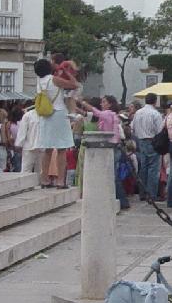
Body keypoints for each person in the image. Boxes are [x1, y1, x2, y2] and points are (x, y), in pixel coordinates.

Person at [79, 95, 129, 210]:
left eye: (104, 102)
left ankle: (121, 199)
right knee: (112, 173)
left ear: (109, 104)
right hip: (114, 145)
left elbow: (95, 112)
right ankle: (119, 198)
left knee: (112, 174)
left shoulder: (107, 114)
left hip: (111, 146)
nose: (102, 104)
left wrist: (83, 102)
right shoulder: (112, 115)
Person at [34, 59, 77, 188]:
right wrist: (67, 72)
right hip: (58, 113)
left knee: (47, 149)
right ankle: (60, 180)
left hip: (45, 115)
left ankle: (44, 178)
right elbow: (73, 85)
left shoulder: (39, 82)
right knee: (61, 148)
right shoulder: (53, 79)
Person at [131, 93, 164, 201]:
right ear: (155, 101)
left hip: (141, 141)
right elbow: (160, 130)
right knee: (153, 169)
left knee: (143, 167)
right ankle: (151, 194)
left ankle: (142, 193)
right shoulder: (155, 114)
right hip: (152, 140)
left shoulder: (138, 113)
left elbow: (133, 128)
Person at [15, 107, 41, 174]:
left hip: (43, 147)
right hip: (29, 146)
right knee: (26, 170)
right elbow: (22, 131)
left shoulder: (48, 115)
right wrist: (19, 144)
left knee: (41, 171)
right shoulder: (28, 115)